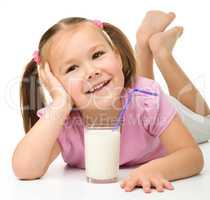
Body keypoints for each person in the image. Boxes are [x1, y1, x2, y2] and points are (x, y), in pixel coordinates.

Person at [12, 11, 210, 193]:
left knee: (205, 122)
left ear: (118, 56)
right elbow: (25, 169)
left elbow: (192, 156)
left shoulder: (149, 100)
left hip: (166, 112)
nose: (91, 71)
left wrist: (154, 169)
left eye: (97, 55)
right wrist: (60, 104)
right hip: (136, 94)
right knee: (138, 87)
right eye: (72, 68)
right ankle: (144, 45)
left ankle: (161, 52)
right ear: (54, 83)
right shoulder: (61, 121)